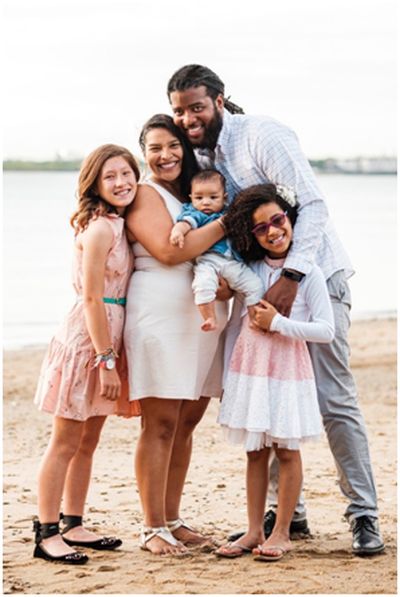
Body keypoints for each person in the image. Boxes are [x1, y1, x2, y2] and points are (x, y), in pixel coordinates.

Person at [167, 64, 385, 555]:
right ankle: (287, 513)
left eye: (196, 107)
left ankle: (364, 514)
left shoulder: (262, 134)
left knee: (332, 399)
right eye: (180, 110)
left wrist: (292, 278)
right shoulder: (203, 154)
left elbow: (313, 206)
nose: (188, 118)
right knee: (266, 396)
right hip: (259, 287)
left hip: (314, 277)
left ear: (220, 100)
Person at [123, 114, 229, 555]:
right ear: (144, 153)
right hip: (161, 314)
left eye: (172, 146)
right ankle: (152, 527)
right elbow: (169, 251)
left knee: (187, 422)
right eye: (154, 148)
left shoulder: (191, 194)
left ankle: (172, 518)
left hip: (203, 317)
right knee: (161, 422)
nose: (165, 155)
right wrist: (228, 221)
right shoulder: (146, 194)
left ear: (184, 150)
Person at [33, 144, 141, 564]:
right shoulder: (98, 229)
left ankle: (73, 523)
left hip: (107, 336)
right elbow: (93, 298)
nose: (121, 182)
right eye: (110, 176)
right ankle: (45, 533)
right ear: (95, 184)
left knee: (88, 440)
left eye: (126, 173)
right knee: (65, 440)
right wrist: (107, 358)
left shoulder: (118, 224)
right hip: (88, 342)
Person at [215, 183, 334, 560]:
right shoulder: (249, 268)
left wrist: (279, 323)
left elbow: (326, 331)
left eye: (278, 220)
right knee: (254, 452)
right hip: (251, 372)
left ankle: (281, 531)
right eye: (261, 228)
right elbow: (232, 312)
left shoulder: (308, 272)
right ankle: (253, 530)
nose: (272, 231)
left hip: (287, 371)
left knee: (286, 450)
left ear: (290, 219)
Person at [170, 168, 264, 331]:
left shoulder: (230, 212)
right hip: (208, 261)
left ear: (224, 197)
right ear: (191, 197)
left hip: (232, 262)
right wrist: (177, 231)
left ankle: (253, 316)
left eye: (213, 197)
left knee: (255, 285)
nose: (205, 202)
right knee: (203, 285)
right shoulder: (197, 213)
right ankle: (209, 318)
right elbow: (186, 222)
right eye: (199, 198)